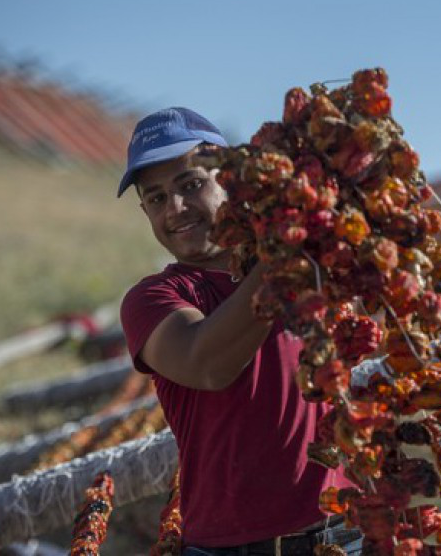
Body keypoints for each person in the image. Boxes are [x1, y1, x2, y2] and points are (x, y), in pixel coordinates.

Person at [118, 107, 361, 555]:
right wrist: (286, 245)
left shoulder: (309, 264)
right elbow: (206, 363)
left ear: (233, 180)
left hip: (343, 534)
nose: (175, 209)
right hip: (230, 547)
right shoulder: (153, 298)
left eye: (191, 185)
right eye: (156, 198)